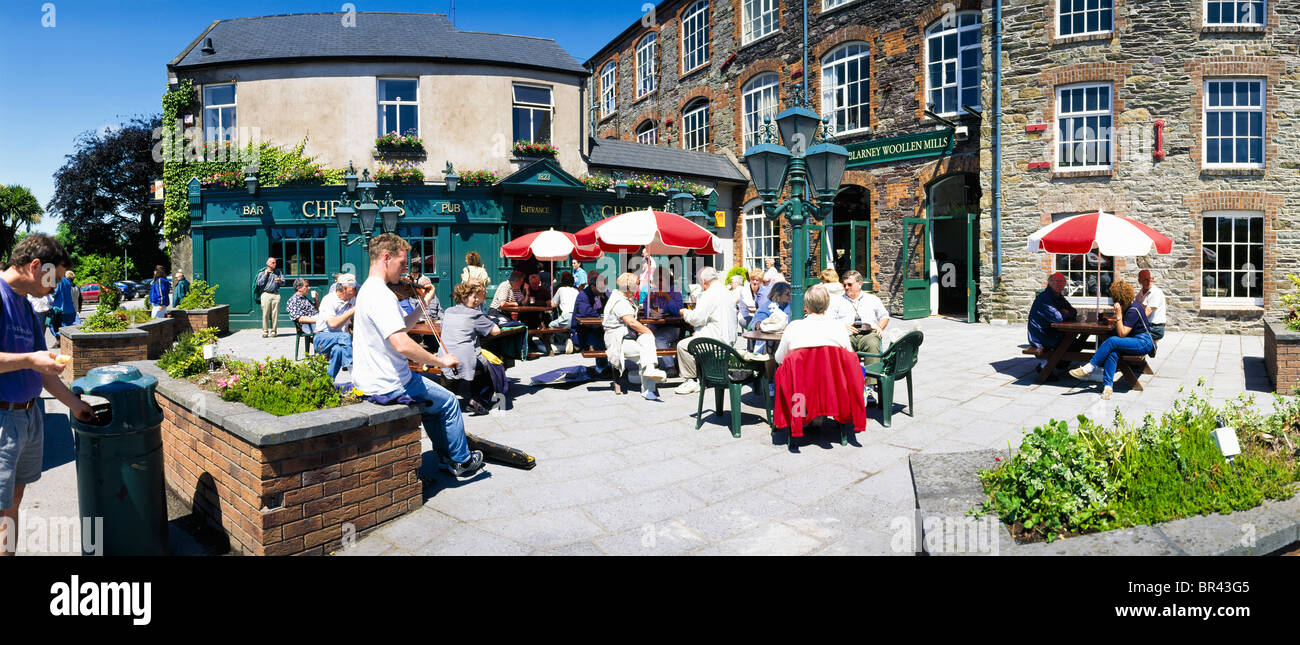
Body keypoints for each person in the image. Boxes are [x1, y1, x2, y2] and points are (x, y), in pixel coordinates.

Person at [351, 234, 483, 477]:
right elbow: (402, 344)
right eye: (402, 264)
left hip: (370, 379)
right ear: (386, 258)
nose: (404, 272)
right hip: (390, 383)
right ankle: (462, 462)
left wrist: (424, 303)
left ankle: (447, 456)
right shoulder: (382, 294)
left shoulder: (368, 290)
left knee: (434, 402)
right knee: (450, 402)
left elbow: (399, 325)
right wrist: (440, 360)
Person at [0, 234, 95, 555]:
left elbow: (43, 371)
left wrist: (76, 405)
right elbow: (32, 361)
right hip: (2, 419)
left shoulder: (25, 307)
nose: (55, 285)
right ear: (36, 266)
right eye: (53, 276)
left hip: (28, 415)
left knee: (11, 506)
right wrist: (29, 359)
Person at [1069, 280, 1155, 400]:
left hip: (1143, 342)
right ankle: (1108, 387)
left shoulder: (1133, 310)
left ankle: (1088, 368)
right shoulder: (1130, 306)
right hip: (1135, 340)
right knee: (1112, 353)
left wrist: (1118, 313)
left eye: (1114, 299)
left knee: (1112, 341)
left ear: (1119, 299)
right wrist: (1112, 319)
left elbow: (1122, 333)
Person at [440, 281, 506, 416]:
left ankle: (446, 397)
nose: (477, 300)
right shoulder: (474, 314)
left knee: (472, 360)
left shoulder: (448, 311)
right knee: (488, 366)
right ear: (464, 298)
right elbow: (496, 331)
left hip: (444, 357)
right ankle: (477, 400)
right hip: (463, 359)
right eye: (474, 297)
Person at [674, 266, 739, 395]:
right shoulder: (726, 291)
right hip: (729, 339)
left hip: (716, 341)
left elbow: (696, 319)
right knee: (695, 336)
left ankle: (691, 380)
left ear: (704, 281)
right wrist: (699, 331)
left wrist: (684, 312)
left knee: (682, 346)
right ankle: (701, 375)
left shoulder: (709, 294)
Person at [604, 272, 667, 400]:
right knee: (646, 351)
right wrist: (648, 331)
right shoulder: (619, 302)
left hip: (629, 336)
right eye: (635, 287)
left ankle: (649, 371)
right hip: (619, 341)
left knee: (647, 339)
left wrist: (648, 334)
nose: (637, 289)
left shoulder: (622, 298)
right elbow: (631, 322)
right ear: (628, 288)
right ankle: (648, 388)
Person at [774, 284, 852, 364]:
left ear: (806, 305)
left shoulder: (793, 327)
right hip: (831, 375)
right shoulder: (839, 327)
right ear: (827, 304)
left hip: (801, 375)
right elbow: (848, 356)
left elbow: (779, 358)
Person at [314, 274, 358, 379]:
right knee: (345, 337)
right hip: (322, 337)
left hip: (339, 340)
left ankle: (328, 382)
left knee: (338, 350)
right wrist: (351, 311)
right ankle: (354, 373)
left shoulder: (352, 299)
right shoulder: (328, 300)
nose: (356, 290)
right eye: (354, 288)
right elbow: (332, 324)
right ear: (344, 288)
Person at [1027, 272, 1078, 356]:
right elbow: (1057, 318)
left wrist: (1064, 312)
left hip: (1052, 332)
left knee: (1074, 342)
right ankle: (1047, 366)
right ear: (1050, 282)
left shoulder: (1058, 296)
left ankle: (1058, 365)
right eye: (1057, 281)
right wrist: (1064, 312)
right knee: (1069, 342)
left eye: (1062, 281)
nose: (1060, 283)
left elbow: (1073, 311)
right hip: (1041, 336)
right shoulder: (1044, 298)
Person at [571, 272, 610, 372]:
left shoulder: (603, 294)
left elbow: (609, 308)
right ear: (592, 286)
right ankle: (601, 368)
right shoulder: (583, 295)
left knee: (614, 337)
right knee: (600, 342)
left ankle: (611, 365)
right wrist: (601, 316)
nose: (603, 289)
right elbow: (586, 312)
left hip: (598, 327)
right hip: (583, 331)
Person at [548, 271, 579, 354]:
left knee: (551, 326)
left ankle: (565, 339)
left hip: (566, 316)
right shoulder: (576, 291)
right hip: (576, 318)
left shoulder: (560, 289)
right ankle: (570, 340)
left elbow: (553, 304)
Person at [254, 257, 284, 337]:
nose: (275, 264)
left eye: (275, 262)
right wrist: (265, 275)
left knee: (275, 314)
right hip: (266, 294)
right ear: (268, 264)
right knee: (265, 313)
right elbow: (259, 283)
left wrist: (280, 281)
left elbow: (283, 282)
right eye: (273, 263)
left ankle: (274, 331)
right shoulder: (262, 273)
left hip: (275, 294)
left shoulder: (278, 272)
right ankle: (265, 331)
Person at [1135, 269, 1166, 342]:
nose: (1149, 282)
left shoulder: (1156, 292)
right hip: (1146, 325)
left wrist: (1133, 321)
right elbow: (1135, 308)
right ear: (1140, 281)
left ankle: (1150, 347)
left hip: (1156, 327)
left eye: (1150, 279)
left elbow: (1147, 312)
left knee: (1130, 333)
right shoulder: (1140, 294)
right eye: (1146, 279)